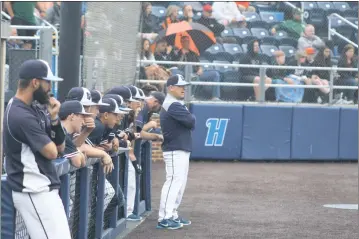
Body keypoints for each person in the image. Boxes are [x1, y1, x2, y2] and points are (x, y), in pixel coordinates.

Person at [3, 59, 71, 239]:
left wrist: (55, 119)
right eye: (47, 82)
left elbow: (60, 147)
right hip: (33, 190)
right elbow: (52, 152)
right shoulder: (19, 114)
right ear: (35, 82)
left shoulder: (36, 108)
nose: (50, 88)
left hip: (43, 189)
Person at [157, 75, 196, 230]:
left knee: (179, 183)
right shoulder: (172, 104)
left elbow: (190, 121)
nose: (183, 89)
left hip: (180, 147)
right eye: (180, 86)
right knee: (173, 182)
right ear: (171, 87)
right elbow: (191, 121)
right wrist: (189, 117)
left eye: (184, 86)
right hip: (174, 148)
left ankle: (172, 213)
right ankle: (163, 218)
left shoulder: (176, 103)